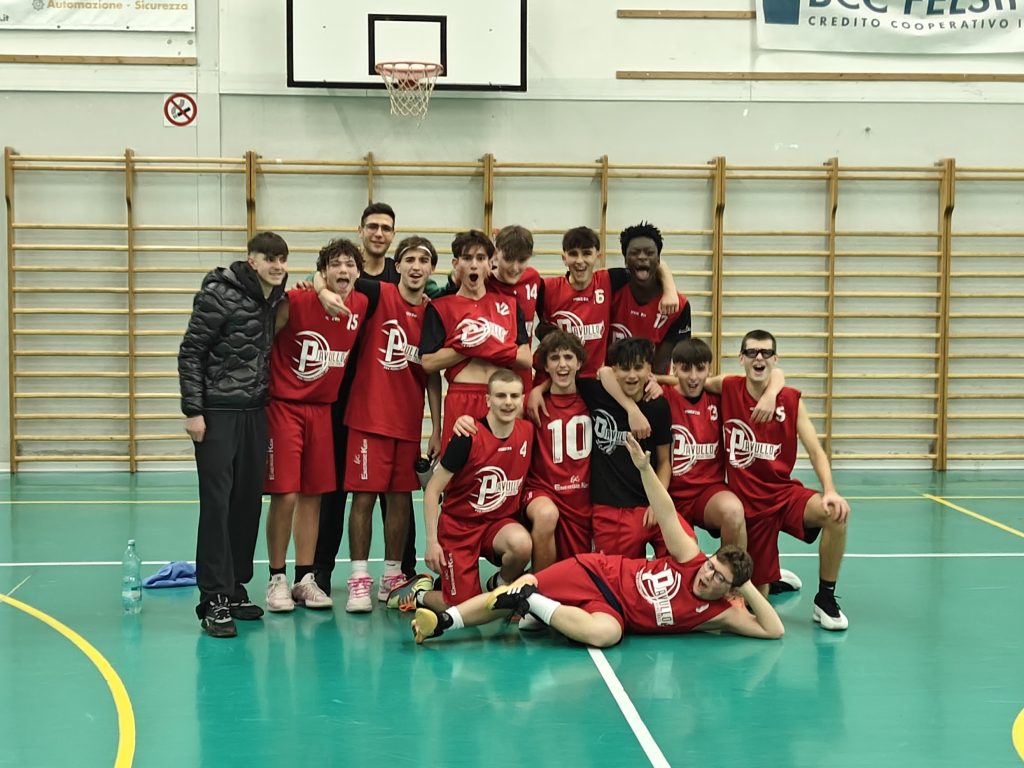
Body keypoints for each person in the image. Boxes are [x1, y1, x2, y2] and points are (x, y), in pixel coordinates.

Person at [410, 433, 785, 646]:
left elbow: (773, 629)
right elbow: (667, 511)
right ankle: (443, 622)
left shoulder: (721, 613)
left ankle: (532, 601)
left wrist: (745, 585)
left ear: (730, 589)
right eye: (712, 566)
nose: (707, 575)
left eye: (719, 578)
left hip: (614, 612)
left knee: (606, 635)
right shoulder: (691, 557)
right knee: (516, 589)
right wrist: (644, 470)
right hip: (599, 573)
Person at [178, 232, 289, 638]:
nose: (277, 266)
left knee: (246, 503)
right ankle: (213, 599)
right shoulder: (218, 294)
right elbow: (191, 351)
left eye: (282, 259)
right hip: (218, 413)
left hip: (255, 412)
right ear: (251, 260)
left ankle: (235, 587)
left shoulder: (273, 297)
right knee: (217, 505)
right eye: (269, 259)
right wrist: (193, 410)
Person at [710, 329, 851, 631]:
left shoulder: (790, 400)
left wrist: (830, 491)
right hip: (749, 507)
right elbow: (690, 381)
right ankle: (771, 578)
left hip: (783, 495)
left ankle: (825, 598)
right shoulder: (728, 387)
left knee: (836, 514)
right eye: (751, 352)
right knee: (753, 601)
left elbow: (815, 450)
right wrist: (655, 381)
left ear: (775, 359)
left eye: (766, 353)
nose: (758, 358)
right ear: (741, 358)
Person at [263, 238, 376, 614]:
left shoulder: (361, 304)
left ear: (358, 273)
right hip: (284, 406)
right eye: (335, 264)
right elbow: (263, 341)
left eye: (350, 264)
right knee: (286, 495)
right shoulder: (296, 301)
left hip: (322, 410)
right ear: (323, 271)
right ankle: (276, 578)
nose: (343, 270)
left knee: (314, 496)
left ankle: (304, 578)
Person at [312, 202, 418, 593]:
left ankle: (402, 570)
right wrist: (320, 288)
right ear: (361, 230)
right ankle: (320, 571)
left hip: (384, 400)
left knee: (396, 492)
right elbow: (316, 276)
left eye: (386, 228)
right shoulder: (345, 272)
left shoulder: (399, 274)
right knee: (336, 489)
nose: (378, 233)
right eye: (372, 226)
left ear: (393, 235)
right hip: (340, 394)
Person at [341, 236, 442, 612]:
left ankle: (392, 575)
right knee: (364, 498)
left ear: (431, 269)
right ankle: (358, 579)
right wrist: (314, 283)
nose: (416, 267)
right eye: (409, 259)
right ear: (397, 265)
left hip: (408, 423)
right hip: (369, 418)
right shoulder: (378, 294)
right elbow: (338, 278)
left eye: (424, 261)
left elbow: (432, 374)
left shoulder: (432, 313)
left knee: (400, 500)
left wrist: (437, 426)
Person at [396, 369, 535, 613]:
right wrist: (431, 543)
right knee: (461, 607)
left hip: (496, 524)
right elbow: (432, 491)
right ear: (488, 400)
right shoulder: (467, 438)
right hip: (459, 528)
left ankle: (499, 585)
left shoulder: (528, 431)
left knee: (522, 543)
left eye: (514, 396)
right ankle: (418, 594)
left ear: (522, 399)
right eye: (500, 396)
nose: (508, 402)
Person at [419, 230, 533, 451]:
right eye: (467, 258)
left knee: (498, 464)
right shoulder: (441, 307)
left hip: (500, 396)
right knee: (458, 466)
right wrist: (471, 345)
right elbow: (428, 363)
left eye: (480, 258)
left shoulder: (509, 305)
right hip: (461, 397)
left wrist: (479, 342)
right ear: (456, 264)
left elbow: (526, 358)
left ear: (490, 264)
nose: (474, 265)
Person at [535, 226, 677, 379]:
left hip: (592, 380)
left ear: (598, 256)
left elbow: (654, 264)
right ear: (564, 258)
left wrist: (670, 291)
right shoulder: (547, 288)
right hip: (554, 379)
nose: (580, 261)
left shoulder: (608, 280)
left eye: (587, 253)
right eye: (573, 254)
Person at [662, 338, 747, 549]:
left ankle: (728, 569)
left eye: (700, 369)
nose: (693, 377)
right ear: (674, 369)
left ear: (710, 369)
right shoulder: (661, 396)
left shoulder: (719, 398)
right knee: (686, 552)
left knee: (734, 512)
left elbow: (752, 381)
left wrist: (772, 391)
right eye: (685, 369)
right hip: (670, 497)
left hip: (708, 493)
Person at [611, 221, 692, 374]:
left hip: (652, 382)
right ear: (625, 260)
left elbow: (661, 365)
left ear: (659, 260)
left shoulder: (679, 306)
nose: (642, 257)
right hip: (611, 380)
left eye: (649, 253)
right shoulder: (611, 285)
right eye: (635, 253)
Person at [487, 225, 542, 394]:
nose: (515, 267)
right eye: (509, 259)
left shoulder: (533, 278)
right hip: (489, 378)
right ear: (496, 253)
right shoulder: (484, 283)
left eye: (522, 260)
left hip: (522, 377)